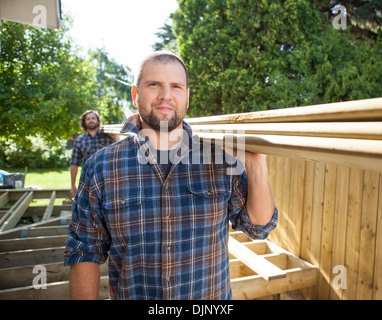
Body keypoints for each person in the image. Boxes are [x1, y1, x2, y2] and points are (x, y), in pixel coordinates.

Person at [64, 51, 278, 300]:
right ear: (135, 95)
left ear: (186, 97)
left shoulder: (219, 159)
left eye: (176, 86)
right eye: (154, 84)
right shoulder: (101, 167)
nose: (166, 95)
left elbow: (258, 228)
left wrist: (256, 164)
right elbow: (84, 250)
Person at [69, 110, 115, 197]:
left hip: (106, 180)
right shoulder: (79, 140)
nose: (91, 120)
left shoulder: (108, 138)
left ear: (98, 121)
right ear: (84, 122)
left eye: (93, 118)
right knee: (89, 208)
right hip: (87, 180)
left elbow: (116, 158)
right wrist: (73, 185)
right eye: (88, 119)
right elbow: (74, 163)